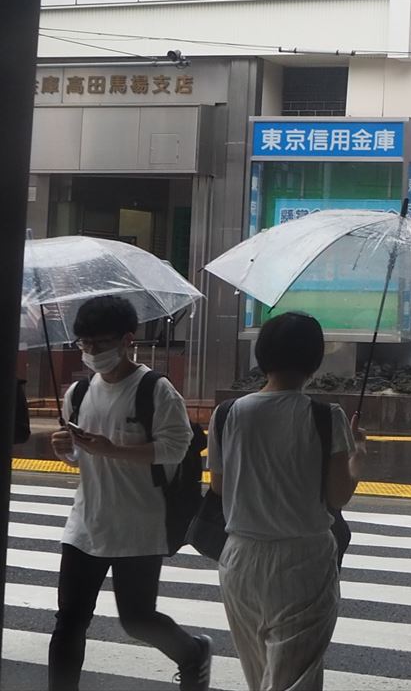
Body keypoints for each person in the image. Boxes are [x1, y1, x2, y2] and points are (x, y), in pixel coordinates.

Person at [48, 295, 211, 691]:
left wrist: (113, 450)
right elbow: (81, 456)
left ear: (127, 340)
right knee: (70, 619)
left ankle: (193, 652)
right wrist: (66, 449)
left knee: (137, 619)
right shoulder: (78, 393)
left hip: (139, 524)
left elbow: (176, 448)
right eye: (84, 343)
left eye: (100, 343)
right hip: (86, 524)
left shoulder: (155, 390)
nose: (91, 351)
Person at [212, 312, 364, 691]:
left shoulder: (228, 413)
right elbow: (338, 495)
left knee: (261, 675)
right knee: (295, 680)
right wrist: (357, 456)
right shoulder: (326, 417)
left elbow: (219, 486)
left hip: (241, 559)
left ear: (263, 355)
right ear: (314, 360)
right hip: (303, 561)